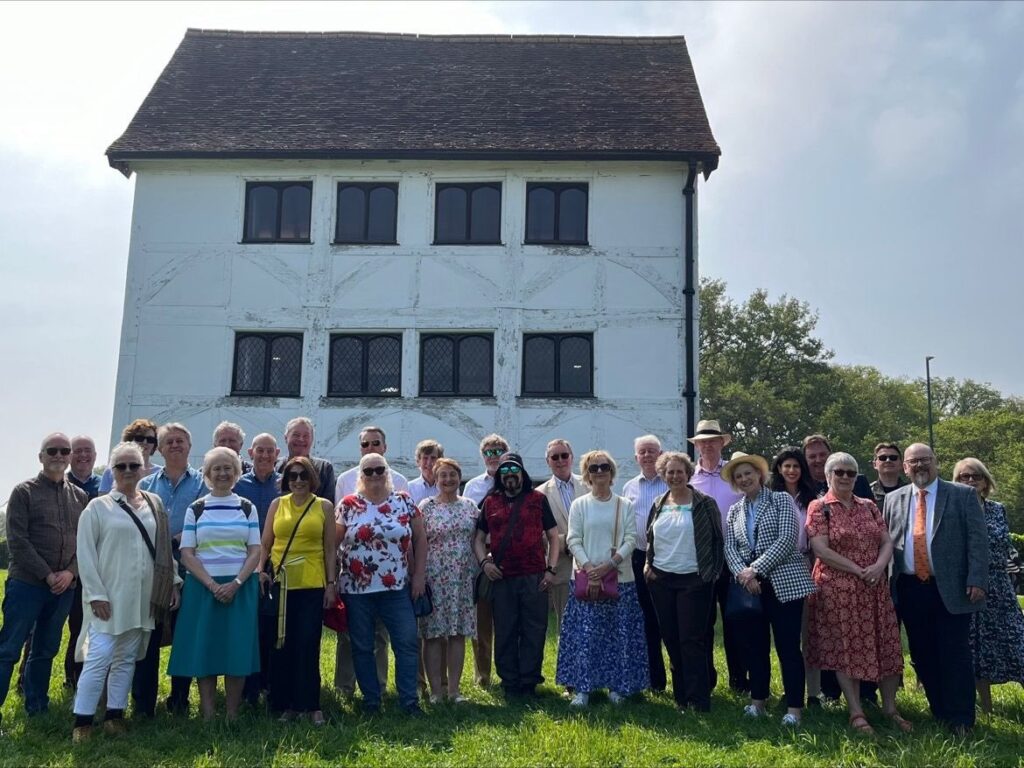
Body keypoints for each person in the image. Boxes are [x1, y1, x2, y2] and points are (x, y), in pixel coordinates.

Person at [72, 442, 180, 741]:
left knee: (126, 658)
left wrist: (172, 582)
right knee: (99, 657)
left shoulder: (154, 503)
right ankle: (82, 722)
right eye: (122, 466)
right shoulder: (98, 507)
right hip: (108, 597)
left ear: (144, 468)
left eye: (135, 465)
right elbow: (85, 553)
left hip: (143, 597)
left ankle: (114, 716)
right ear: (112, 470)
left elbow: (161, 548)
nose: (129, 471)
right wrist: (96, 594)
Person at [883, 443, 988, 735]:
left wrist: (977, 578)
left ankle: (962, 719)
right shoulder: (893, 499)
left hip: (953, 587)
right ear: (905, 467)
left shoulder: (962, 495)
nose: (920, 466)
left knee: (955, 653)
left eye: (925, 460)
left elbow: (978, 541)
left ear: (936, 462)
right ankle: (940, 711)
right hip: (909, 587)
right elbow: (888, 543)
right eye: (913, 462)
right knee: (922, 653)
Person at [805, 452, 909, 736]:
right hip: (838, 589)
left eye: (851, 473)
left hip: (875, 587)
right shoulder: (819, 507)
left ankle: (890, 708)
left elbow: (886, 540)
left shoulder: (869, 506)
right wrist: (858, 569)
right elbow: (821, 550)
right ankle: (856, 712)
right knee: (847, 649)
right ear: (828, 475)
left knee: (886, 644)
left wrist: (877, 566)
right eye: (839, 472)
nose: (846, 477)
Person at [0, 434, 87, 729]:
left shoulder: (79, 496)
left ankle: (37, 706)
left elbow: (84, 543)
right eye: (53, 450)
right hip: (27, 584)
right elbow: (18, 541)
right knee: (9, 649)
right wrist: (48, 575)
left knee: (46, 649)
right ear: (41, 456)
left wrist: (70, 573)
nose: (59, 455)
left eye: (65, 451)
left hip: (64, 587)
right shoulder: (23, 492)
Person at [169, 448, 261, 721]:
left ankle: (232, 713)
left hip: (240, 587)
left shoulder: (247, 507)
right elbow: (187, 553)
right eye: (216, 469)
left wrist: (235, 583)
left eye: (228, 468)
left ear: (236, 473)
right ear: (207, 474)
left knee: (237, 648)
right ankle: (208, 713)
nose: (222, 473)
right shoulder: (196, 508)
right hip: (202, 587)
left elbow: (255, 550)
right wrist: (212, 585)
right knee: (205, 647)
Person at [722, 452, 814, 726]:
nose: (744, 479)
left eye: (748, 473)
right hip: (750, 588)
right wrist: (743, 574)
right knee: (755, 647)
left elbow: (787, 539)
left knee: (788, 647)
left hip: (783, 583)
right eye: (739, 476)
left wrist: (755, 569)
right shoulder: (734, 510)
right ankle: (757, 702)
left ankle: (795, 708)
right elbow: (730, 547)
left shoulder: (781, 499)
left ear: (760, 475)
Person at [336, 454, 426, 715]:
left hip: (396, 588)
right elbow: (332, 545)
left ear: (387, 472)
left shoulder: (404, 501)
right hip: (356, 590)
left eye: (379, 470)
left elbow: (420, 539)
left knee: (406, 643)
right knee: (363, 646)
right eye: (368, 471)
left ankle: (409, 701)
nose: (374, 475)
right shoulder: (348, 504)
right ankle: (371, 701)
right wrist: (330, 582)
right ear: (360, 475)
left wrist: (419, 575)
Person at [555, 450, 646, 706]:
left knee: (618, 635)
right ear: (587, 474)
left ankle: (617, 687)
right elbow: (573, 538)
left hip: (620, 577)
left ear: (612, 471)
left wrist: (609, 564)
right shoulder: (580, 505)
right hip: (586, 578)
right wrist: (588, 567)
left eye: (604, 466)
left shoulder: (624, 504)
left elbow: (630, 539)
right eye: (593, 468)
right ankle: (583, 689)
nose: (599, 472)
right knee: (586, 637)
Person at [473, 453, 560, 698]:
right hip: (502, 577)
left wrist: (551, 569)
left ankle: (529, 681)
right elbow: (479, 539)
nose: (510, 475)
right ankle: (509, 682)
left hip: (534, 576)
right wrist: (483, 563)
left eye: (514, 470)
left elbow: (553, 536)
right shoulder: (490, 503)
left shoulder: (537, 499)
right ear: (500, 476)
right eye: (505, 471)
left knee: (534, 630)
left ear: (522, 473)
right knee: (505, 630)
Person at [135, 422, 206, 716]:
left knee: (184, 636)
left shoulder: (203, 483)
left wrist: (182, 537)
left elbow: (208, 521)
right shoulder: (145, 485)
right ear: (159, 449)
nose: (175, 445)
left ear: (190, 446)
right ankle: (143, 703)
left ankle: (179, 699)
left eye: (181, 441)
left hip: (192, 570)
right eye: (169, 442)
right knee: (148, 636)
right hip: (153, 569)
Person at [644, 451, 723, 712]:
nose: (675, 476)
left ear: (688, 474)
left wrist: (710, 575)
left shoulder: (704, 503)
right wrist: (648, 565)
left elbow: (717, 541)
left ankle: (698, 699)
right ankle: (680, 698)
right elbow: (650, 539)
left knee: (692, 640)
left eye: (679, 471)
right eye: (670, 472)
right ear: (663, 475)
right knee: (672, 639)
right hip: (662, 580)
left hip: (694, 580)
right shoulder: (658, 503)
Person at [260, 456, 336, 724]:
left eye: (304, 475)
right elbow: (266, 542)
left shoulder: (324, 506)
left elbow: (329, 549)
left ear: (312, 478)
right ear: (286, 479)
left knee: (307, 643)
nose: (299, 480)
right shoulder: (276, 505)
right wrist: (261, 571)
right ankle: (285, 704)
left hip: (312, 583)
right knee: (281, 644)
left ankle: (310, 704)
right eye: (293, 476)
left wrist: (331, 584)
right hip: (281, 583)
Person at [802, 433, 875, 704]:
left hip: (866, 576)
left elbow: (875, 530)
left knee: (864, 636)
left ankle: (867, 693)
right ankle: (830, 692)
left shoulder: (861, 486)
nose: (818, 460)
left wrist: (874, 567)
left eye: (822, 454)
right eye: (812, 456)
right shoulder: (806, 489)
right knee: (830, 635)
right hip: (826, 574)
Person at [334, 425, 404, 699]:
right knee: (349, 634)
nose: (371, 448)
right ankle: (344, 687)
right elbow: (339, 528)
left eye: (376, 443)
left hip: (387, 575)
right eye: (365, 444)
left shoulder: (398, 480)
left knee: (380, 635)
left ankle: (379, 687)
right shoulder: (345, 479)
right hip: (352, 572)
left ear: (385, 447)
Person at [953, 457, 1024, 713]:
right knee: (976, 649)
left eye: (976, 476)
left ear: (986, 481)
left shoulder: (998, 509)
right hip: (970, 587)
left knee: (1018, 641)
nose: (971, 481)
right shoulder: (954, 510)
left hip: (1000, 586)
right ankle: (986, 707)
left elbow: (1005, 545)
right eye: (964, 477)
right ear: (957, 481)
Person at [688, 420, 744, 693]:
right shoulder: (689, 478)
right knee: (703, 621)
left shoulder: (734, 475)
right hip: (701, 559)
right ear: (696, 445)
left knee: (735, 619)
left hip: (735, 557)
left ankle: (738, 679)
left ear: (723, 443)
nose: (707, 445)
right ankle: (706, 679)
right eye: (702, 441)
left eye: (712, 440)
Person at [417, 457, 478, 703]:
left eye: (452, 475)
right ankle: (435, 691)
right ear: (435, 478)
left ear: (459, 477)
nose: (448, 480)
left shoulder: (470, 506)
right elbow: (418, 541)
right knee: (432, 634)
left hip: (462, 578)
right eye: (443, 475)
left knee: (457, 633)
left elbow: (479, 540)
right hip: (435, 577)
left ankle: (454, 690)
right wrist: (418, 575)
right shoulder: (426, 506)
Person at [769, 447, 820, 704]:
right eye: (786, 466)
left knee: (809, 631)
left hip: (809, 561)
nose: (791, 471)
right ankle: (790, 690)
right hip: (779, 566)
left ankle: (813, 692)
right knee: (786, 636)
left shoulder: (812, 498)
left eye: (796, 466)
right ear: (779, 469)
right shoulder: (771, 497)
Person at [234, 432, 282, 705]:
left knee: (271, 626)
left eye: (270, 451)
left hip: (279, 564)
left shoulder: (284, 484)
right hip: (244, 562)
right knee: (249, 626)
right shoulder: (239, 485)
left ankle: (269, 684)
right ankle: (248, 687)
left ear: (277, 454)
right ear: (250, 453)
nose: (264, 456)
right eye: (259, 451)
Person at [621, 434, 669, 693]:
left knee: (669, 620)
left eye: (653, 451)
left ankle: (682, 678)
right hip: (638, 558)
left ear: (660, 454)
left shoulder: (671, 483)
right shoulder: (629, 487)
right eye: (643, 451)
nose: (648, 455)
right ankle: (655, 681)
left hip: (668, 559)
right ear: (636, 457)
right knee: (647, 620)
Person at [463, 433, 510, 688]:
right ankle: (482, 676)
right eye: (489, 452)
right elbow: (472, 528)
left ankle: (507, 674)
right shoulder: (472, 487)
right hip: (481, 558)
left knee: (507, 621)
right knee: (481, 621)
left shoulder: (514, 481)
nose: (493, 456)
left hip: (510, 558)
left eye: (498, 451)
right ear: (483, 456)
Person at [536, 439, 587, 636]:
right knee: (566, 628)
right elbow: (539, 534)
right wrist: (569, 542)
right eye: (554, 457)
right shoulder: (539, 494)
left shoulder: (590, 483)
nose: (560, 460)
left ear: (572, 457)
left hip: (593, 565)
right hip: (563, 567)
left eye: (564, 455)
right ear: (547, 461)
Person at [63, 435, 101, 690]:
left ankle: (76, 679)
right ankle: (26, 680)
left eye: (88, 451)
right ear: (69, 456)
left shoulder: (104, 484)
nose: (83, 456)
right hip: (61, 565)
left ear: (96, 456)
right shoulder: (60, 482)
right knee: (43, 631)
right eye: (77, 451)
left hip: (93, 568)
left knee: (82, 625)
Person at [276, 417, 337, 503]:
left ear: (312, 440)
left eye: (306, 436)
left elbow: (329, 504)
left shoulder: (324, 468)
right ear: (286, 438)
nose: (301, 439)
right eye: (296, 435)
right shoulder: (275, 466)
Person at [98, 418, 162, 493]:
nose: (145, 442)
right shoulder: (112, 470)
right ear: (129, 440)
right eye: (140, 438)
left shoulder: (160, 473)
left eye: (150, 439)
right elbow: (102, 499)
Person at [869, 442, 907, 508]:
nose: (888, 460)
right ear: (874, 464)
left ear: (901, 464)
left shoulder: (911, 492)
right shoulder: (868, 492)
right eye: (882, 458)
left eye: (893, 457)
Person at [408, 439, 444, 505]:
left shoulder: (446, 487)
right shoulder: (409, 488)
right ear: (418, 462)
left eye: (433, 458)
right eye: (425, 458)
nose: (429, 463)